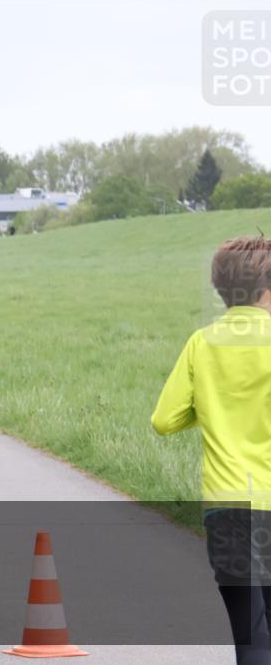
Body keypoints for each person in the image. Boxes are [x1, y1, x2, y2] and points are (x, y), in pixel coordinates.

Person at [152, 236, 270, 665]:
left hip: (227, 509)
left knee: (252, 637)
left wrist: (214, 406)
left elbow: (164, 420)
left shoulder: (202, 343)